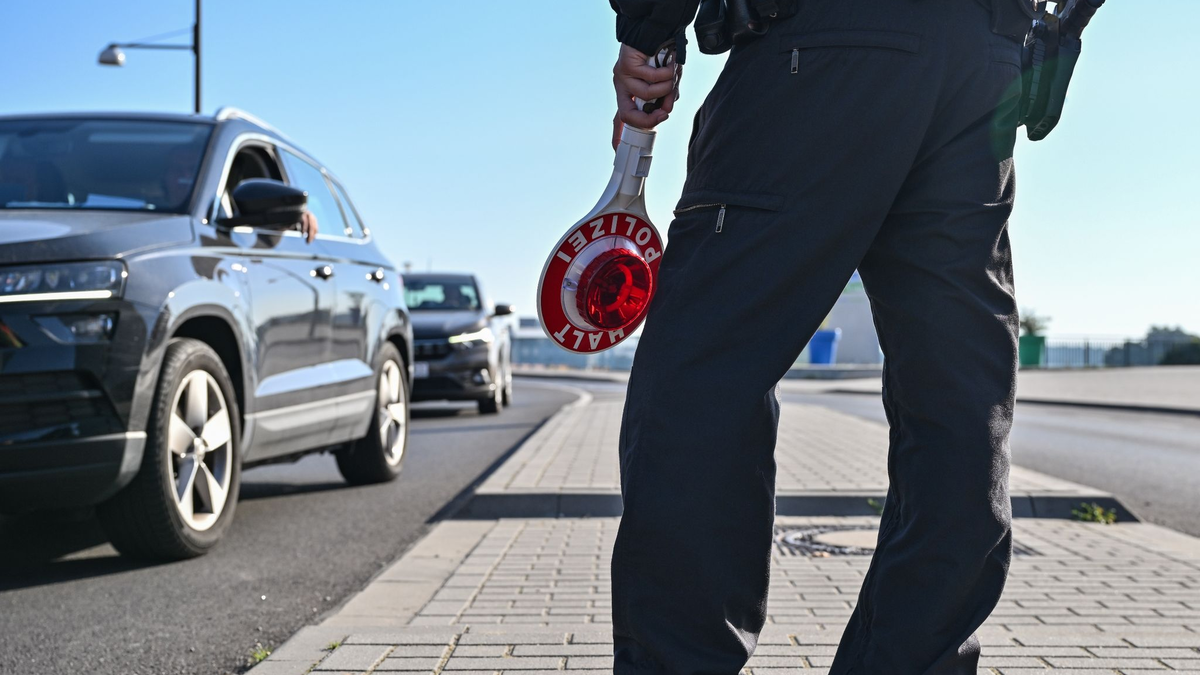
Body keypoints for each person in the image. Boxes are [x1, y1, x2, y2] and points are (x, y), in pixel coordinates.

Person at [608, 0, 1034, 672]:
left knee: (706, 374)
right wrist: (1060, 26)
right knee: (958, 394)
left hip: (820, 44)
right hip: (984, 58)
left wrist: (650, 29)